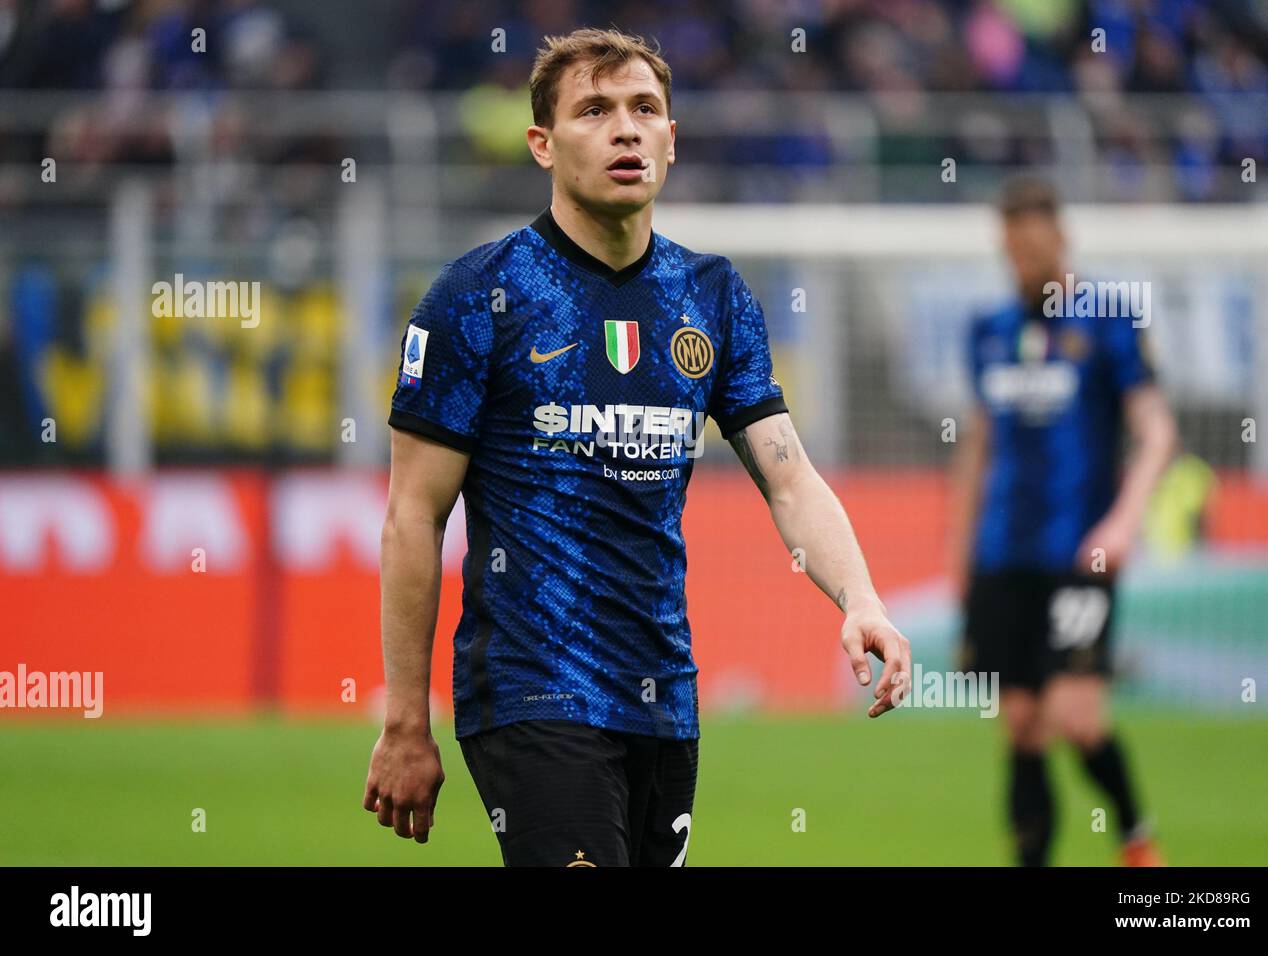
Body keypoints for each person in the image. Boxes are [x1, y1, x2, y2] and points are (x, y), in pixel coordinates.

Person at [362, 28, 912, 866]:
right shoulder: (477, 297)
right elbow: (413, 515)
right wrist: (406, 720)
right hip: (531, 689)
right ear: (542, 145)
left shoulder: (714, 296)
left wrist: (862, 598)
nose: (626, 129)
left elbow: (790, 480)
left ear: (672, 140)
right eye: (595, 110)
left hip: (663, 696)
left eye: (644, 109)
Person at [950, 177, 1179, 866]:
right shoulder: (989, 331)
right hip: (1002, 555)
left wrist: (1123, 523)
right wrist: (960, 556)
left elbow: (1157, 430)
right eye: (1011, 251)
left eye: (1032, 248)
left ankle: (1136, 834)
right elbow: (979, 447)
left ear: (1061, 240)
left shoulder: (1108, 320)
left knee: (1075, 717)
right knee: (1019, 723)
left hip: (1081, 556)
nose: (1021, 262)